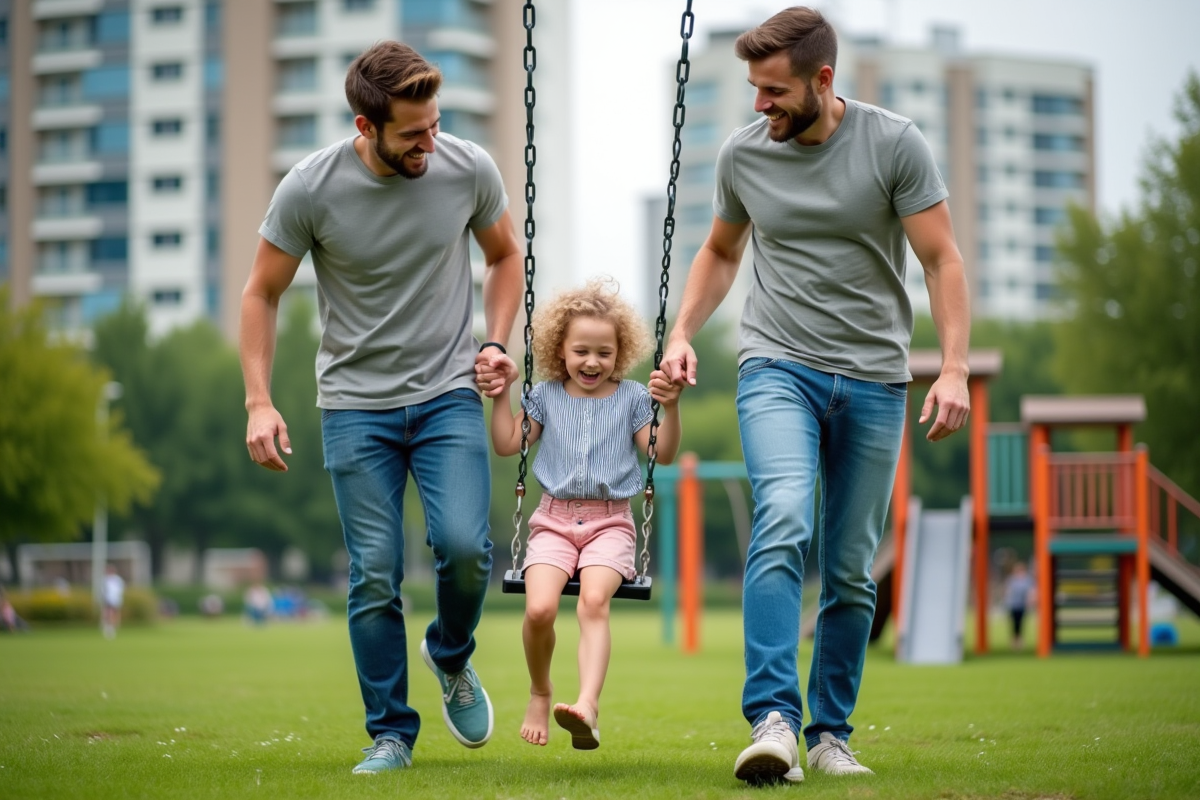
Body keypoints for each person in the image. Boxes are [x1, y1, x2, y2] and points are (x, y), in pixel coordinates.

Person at [660, 7, 971, 785]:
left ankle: (831, 733)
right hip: (778, 366)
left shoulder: (893, 143)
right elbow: (720, 252)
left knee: (852, 566)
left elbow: (942, 260)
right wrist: (682, 331)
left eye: (773, 90)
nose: (759, 104)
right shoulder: (744, 156)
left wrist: (955, 367)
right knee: (784, 517)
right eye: (753, 89)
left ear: (822, 81)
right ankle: (773, 720)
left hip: (873, 376)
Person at [240, 41, 523, 775]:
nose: (431, 141)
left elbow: (503, 257)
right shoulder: (309, 188)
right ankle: (391, 732)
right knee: (374, 572)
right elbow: (261, 293)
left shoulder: (467, 167)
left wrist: (495, 341)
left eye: (434, 124)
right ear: (366, 129)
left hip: (447, 396)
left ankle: (450, 656)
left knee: (465, 550)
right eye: (412, 134)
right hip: (354, 408)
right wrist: (259, 401)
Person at [487, 279, 682, 750]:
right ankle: (540, 690)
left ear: (620, 353)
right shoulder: (546, 396)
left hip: (610, 523)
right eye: (581, 351)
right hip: (553, 520)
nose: (592, 362)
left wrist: (670, 409)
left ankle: (588, 706)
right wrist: (501, 395)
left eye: (604, 352)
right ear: (561, 350)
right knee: (539, 609)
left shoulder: (634, 398)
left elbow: (664, 454)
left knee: (593, 602)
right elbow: (506, 445)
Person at [1004, 561, 1035, 649]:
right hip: (1013, 605)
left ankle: (1020, 641)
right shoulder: (1011, 580)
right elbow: (1008, 591)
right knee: (1014, 623)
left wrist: (1030, 601)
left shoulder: (1027, 580)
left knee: (1021, 623)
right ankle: (1014, 641)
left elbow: (1030, 592)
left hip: (1022, 605)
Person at [102, 564, 124, 639]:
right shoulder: (105, 579)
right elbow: (103, 590)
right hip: (108, 598)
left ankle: (113, 626)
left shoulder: (118, 579)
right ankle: (109, 627)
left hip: (116, 599)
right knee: (108, 612)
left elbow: (121, 589)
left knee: (114, 613)